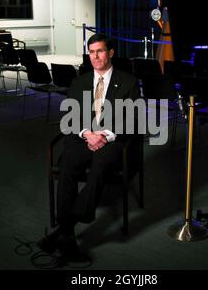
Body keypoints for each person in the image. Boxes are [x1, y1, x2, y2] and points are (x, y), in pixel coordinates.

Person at [39, 33, 140, 260]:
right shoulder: (80, 81)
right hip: (85, 137)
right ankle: (67, 234)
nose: (95, 56)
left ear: (111, 53)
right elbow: (70, 115)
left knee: (100, 166)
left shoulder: (128, 82)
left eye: (100, 51)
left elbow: (133, 119)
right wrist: (87, 134)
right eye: (91, 52)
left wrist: (105, 135)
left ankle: (65, 228)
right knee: (67, 165)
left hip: (113, 140)